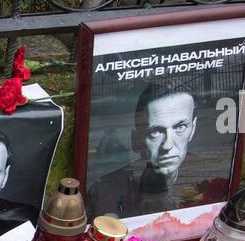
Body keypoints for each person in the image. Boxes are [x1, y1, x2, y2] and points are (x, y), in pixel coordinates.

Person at [87, 77, 228, 218]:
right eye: (155, 132)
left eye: (180, 127)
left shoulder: (212, 181)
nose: (167, 145)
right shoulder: (109, 189)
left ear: (193, 128)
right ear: (136, 139)